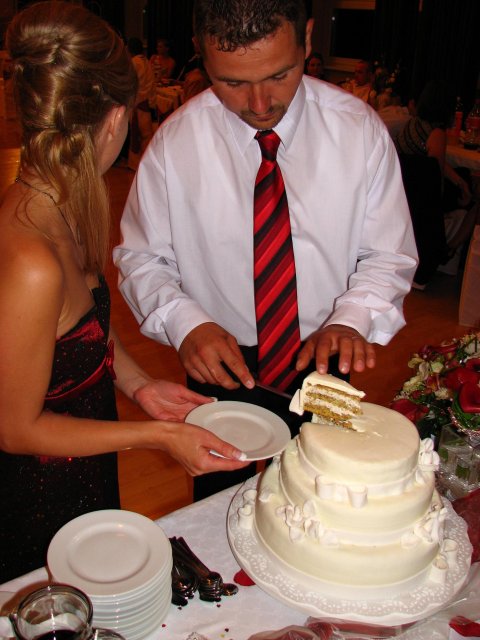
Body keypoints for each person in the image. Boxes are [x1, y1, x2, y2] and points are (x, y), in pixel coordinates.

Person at [114, 0, 417, 500]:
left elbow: (388, 254)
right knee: (220, 495)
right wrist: (184, 323)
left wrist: (354, 318)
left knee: (323, 492)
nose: (259, 103)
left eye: (280, 74)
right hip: (217, 355)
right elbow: (142, 258)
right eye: (232, 82)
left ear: (308, 39)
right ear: (200, 53)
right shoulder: (175, 143)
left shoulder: (358, 130)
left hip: (328, 352)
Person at [0, 0, 248, 582]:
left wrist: (138, 385)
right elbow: (14, 427)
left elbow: (84, 324)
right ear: (116, 118)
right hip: (38, 492)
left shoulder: (63, 205)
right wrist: (160, 436)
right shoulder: (31, 257)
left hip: (82, 464)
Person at [395, 80, 477, 284]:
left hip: (405, 194)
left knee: (463, 178)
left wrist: (458, 180)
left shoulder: (412, 125)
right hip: (423, 201)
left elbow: (431, 163)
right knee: (476, 203)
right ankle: (448, 249)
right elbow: (434, 177)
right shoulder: (436, 133)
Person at [127, 37, 157, 171]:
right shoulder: (146, 61)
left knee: (140, 135)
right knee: (146, 135)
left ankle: (137, 164)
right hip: (146, 102)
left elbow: (132, 84)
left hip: (139, 102)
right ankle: (143, 163)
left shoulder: (135, 62)